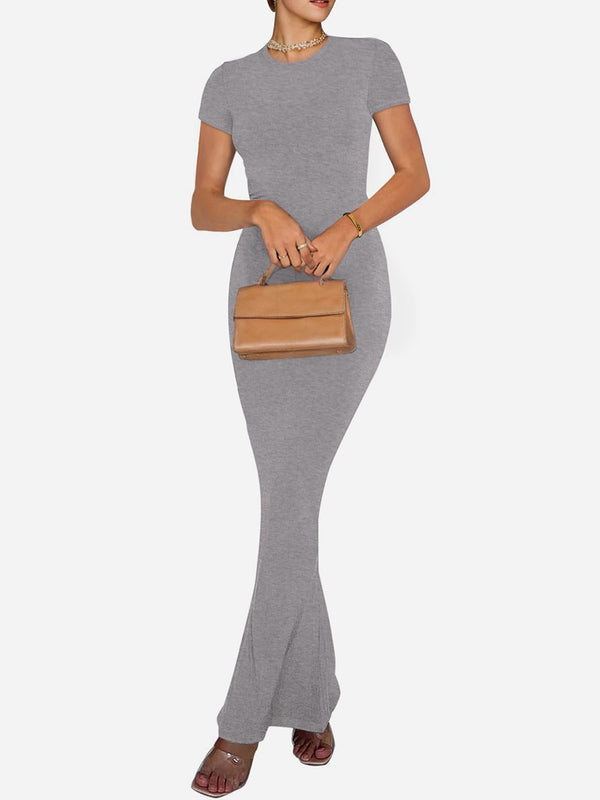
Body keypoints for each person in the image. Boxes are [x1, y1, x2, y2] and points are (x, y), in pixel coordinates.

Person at [189, 0, 429, 794]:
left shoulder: (370, 58)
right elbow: (202, 205)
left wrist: (347, 227)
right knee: (290, 505)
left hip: (350, 293)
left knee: (289, 502)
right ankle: (312, 697)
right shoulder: (229, 81)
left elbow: (415, 174)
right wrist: (258, 208)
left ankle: (240, 723)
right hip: (260, 301)